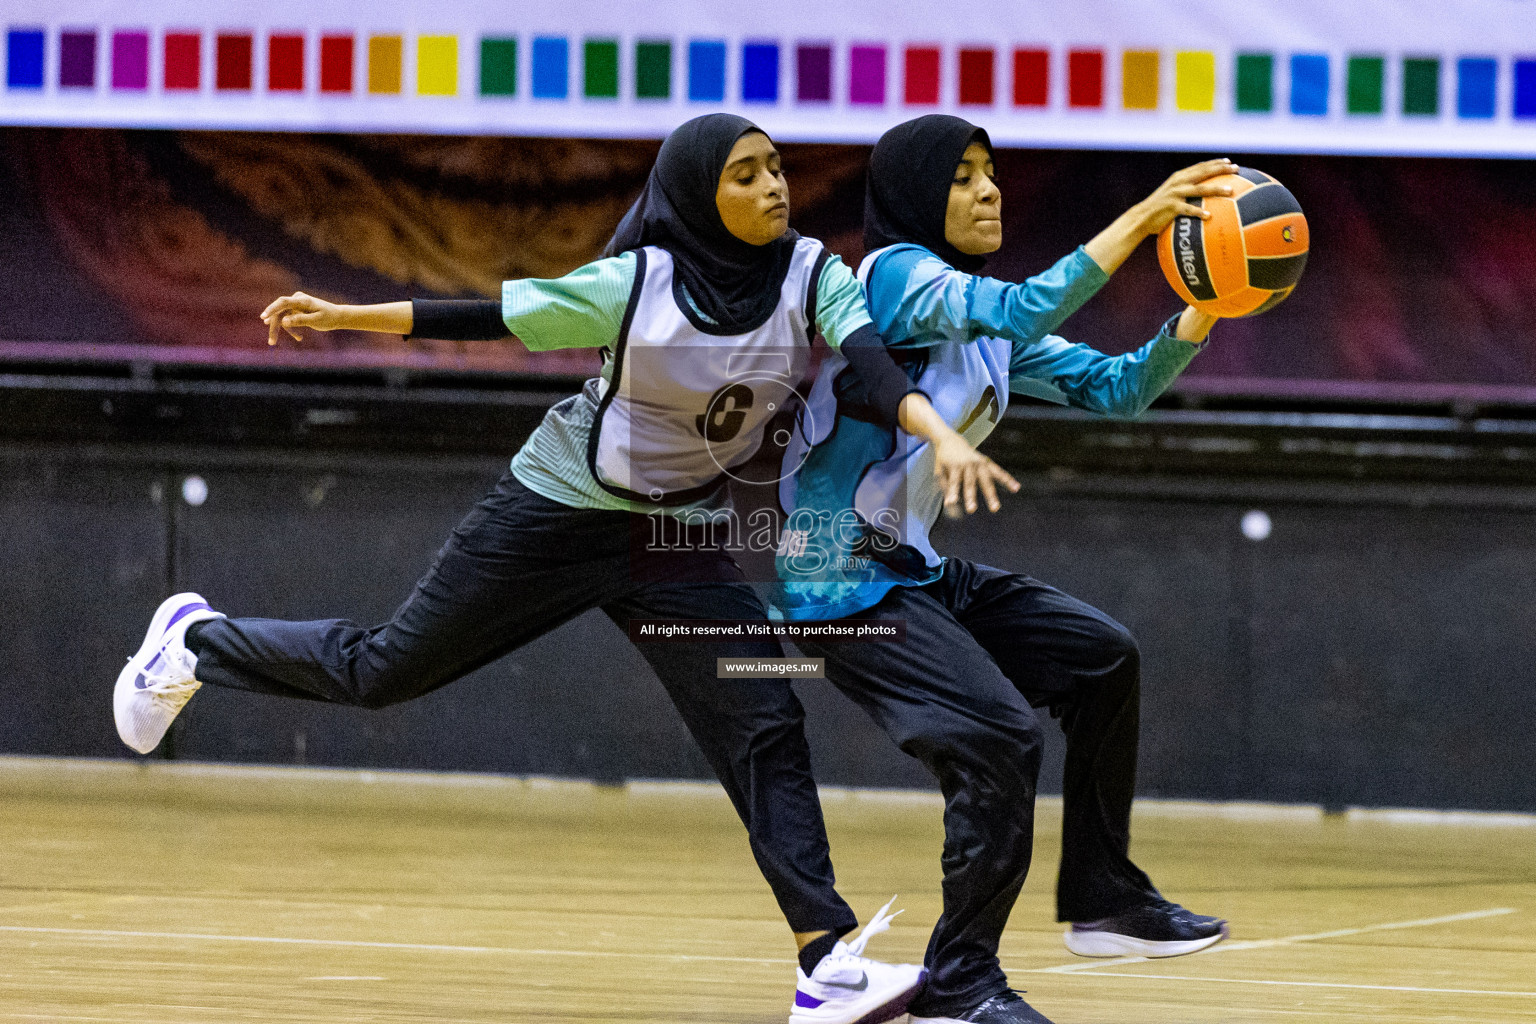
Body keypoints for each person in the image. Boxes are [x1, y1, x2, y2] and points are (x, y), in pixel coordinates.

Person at [112, 113, 1001, 1024]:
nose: (774, 185)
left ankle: (826, 963)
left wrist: (936, 433)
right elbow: (482, 313)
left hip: (671, 540)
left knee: (763, 714)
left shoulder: (814, 272)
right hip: (559, 514)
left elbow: (877, 369)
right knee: (384, 671)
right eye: (747, 175)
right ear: (700, 195)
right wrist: (343, 314)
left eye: (777, 168)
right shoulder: (632, 284)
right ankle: (197, 642)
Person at [771, 114, 1236, 1024]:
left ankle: (1105, 901)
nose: (988, 191)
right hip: (827, 579)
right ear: (914, 198)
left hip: (903, 567)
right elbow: (1028, 306)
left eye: (991, 173)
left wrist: (1210, 303)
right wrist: (1143, 218)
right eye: (962, 177)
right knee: (996, 736)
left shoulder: (981, 319)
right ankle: (959, 982)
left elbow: (1119, 389)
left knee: (1100, 657)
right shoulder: (894, 278)